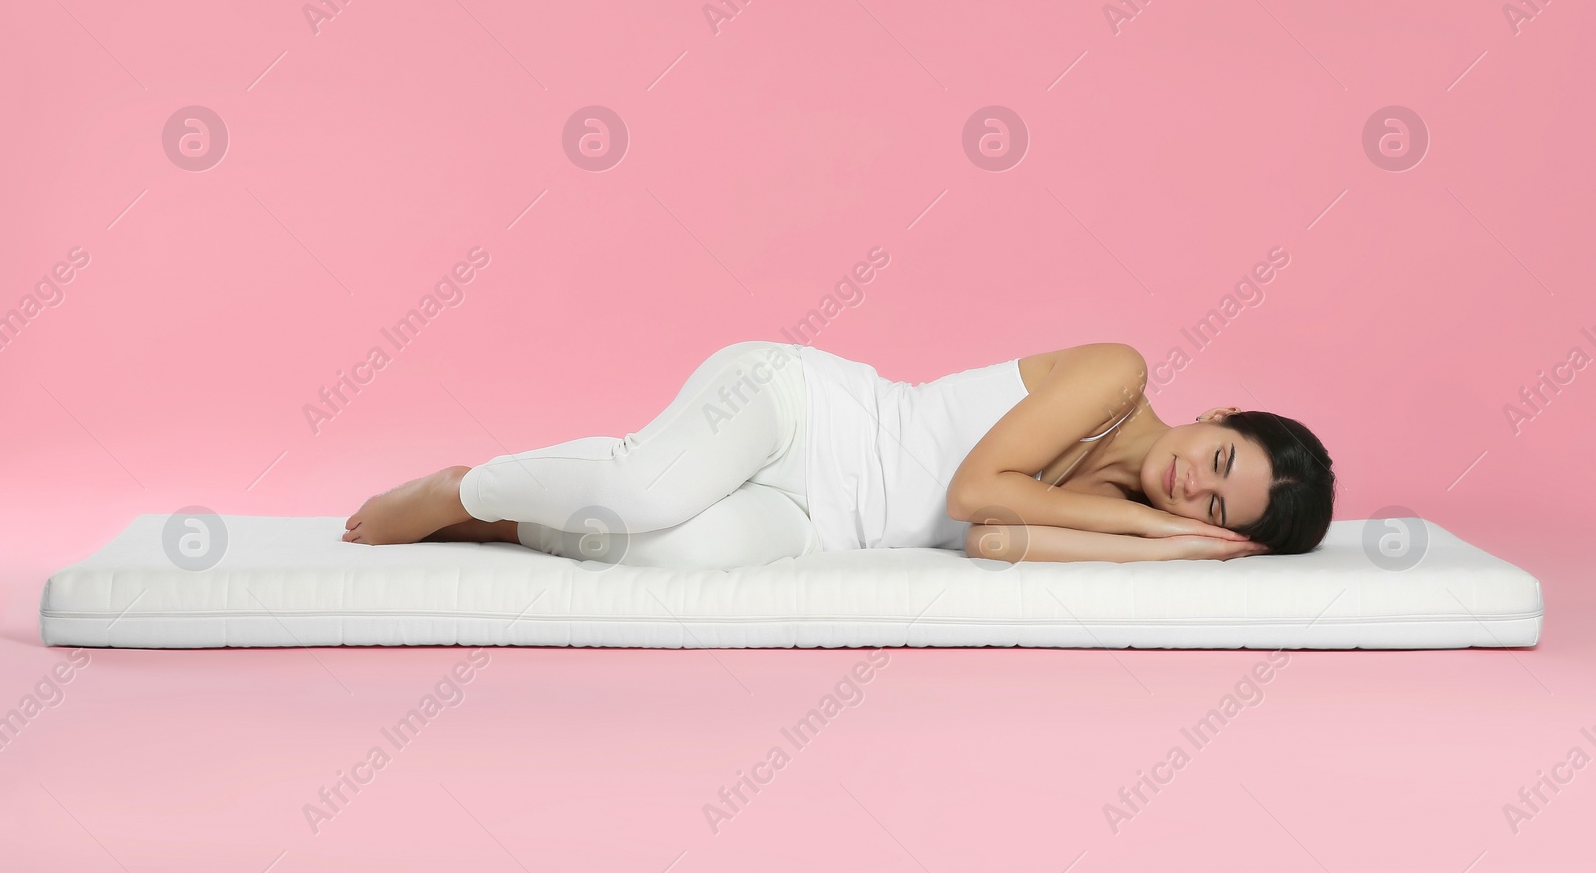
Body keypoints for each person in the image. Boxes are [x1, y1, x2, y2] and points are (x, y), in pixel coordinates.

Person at [341, 340, 1336, 567]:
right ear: (1220, 414)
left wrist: (1171, 549)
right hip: (800, 411)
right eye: (1218, 458)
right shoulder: (1117, 376)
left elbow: (991, 543)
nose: (1190, 484)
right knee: (639, 490)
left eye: (1214, 509)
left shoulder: (1149, 526)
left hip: (824, 521)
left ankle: (490, 519)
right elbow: (976, 490)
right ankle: (449, 483)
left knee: (667, 556)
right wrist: (1147, 522)